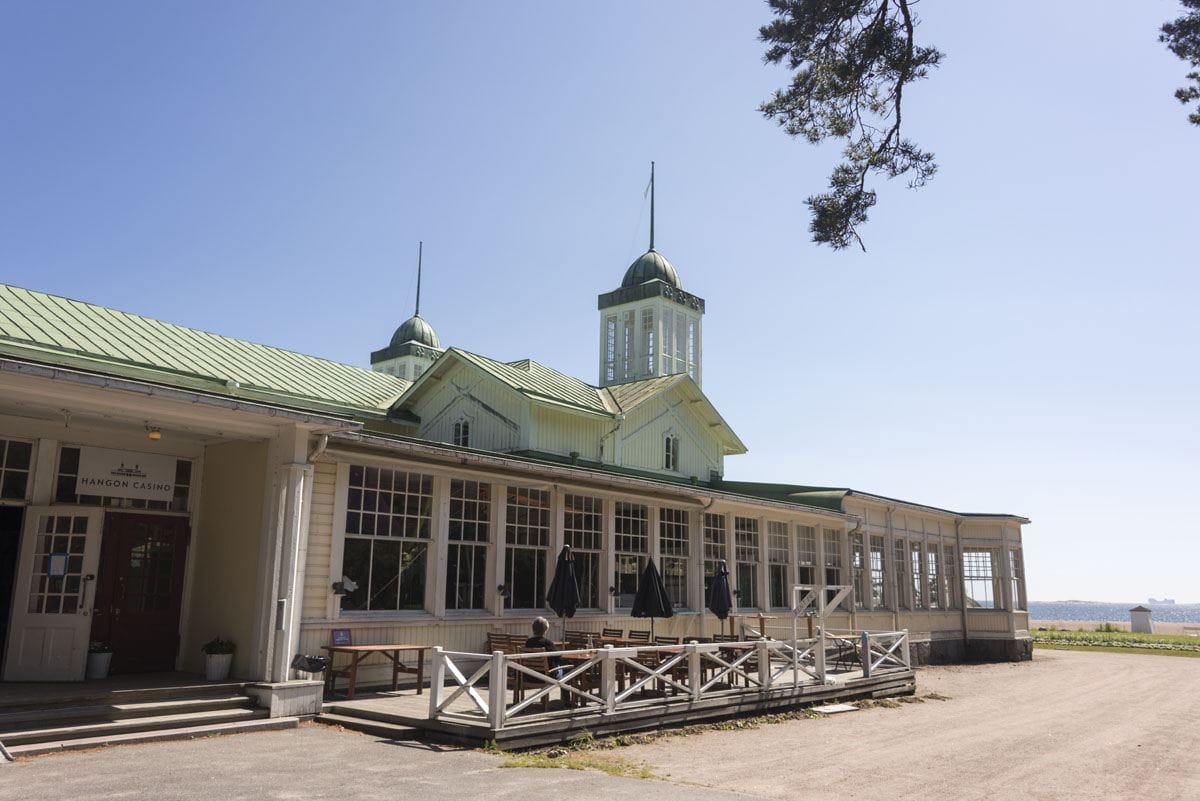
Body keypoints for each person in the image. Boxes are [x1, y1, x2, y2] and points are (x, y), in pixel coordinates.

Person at [525, 616, 569, 704]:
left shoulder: (528, 642)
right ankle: (566, 700)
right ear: (545, 630)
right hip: (546, 676)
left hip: (530, 675)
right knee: (567, 669)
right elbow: (558, 657)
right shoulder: (547, 643)